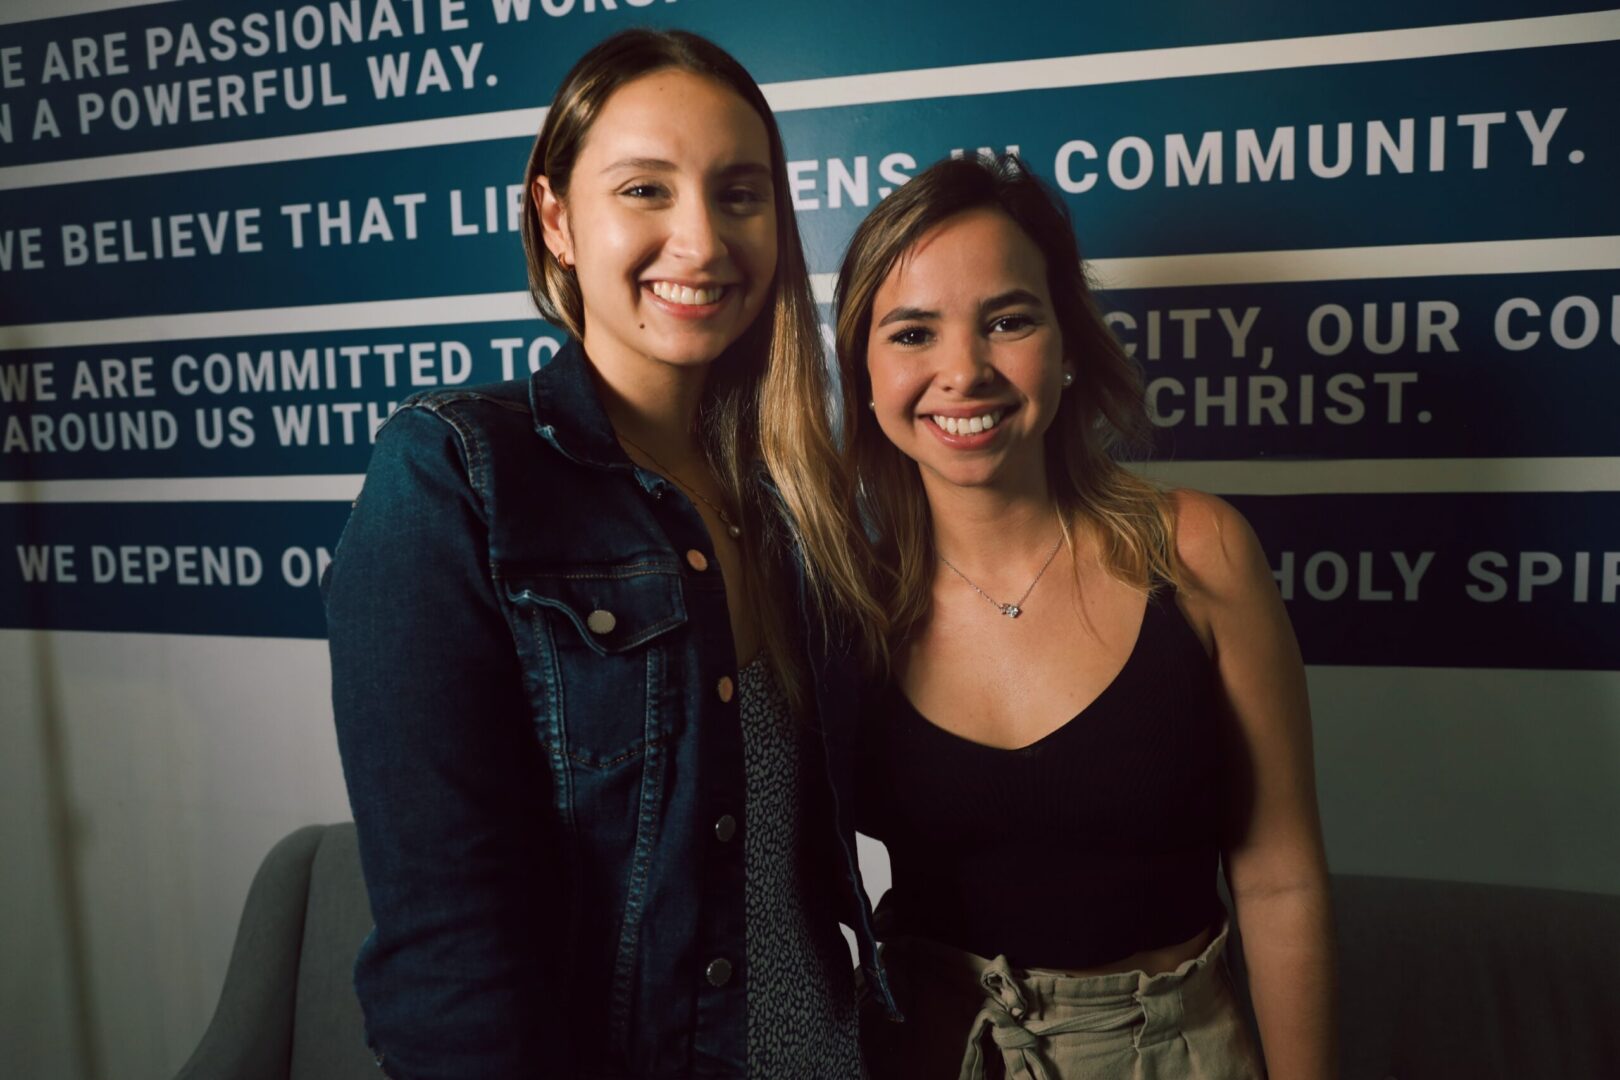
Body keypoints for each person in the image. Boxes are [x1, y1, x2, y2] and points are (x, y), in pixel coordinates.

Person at [324, 29, 893, 1079]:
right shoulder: (453, 477)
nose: (702, 241)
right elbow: (446, 961)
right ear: (556, 218)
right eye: (644, 190)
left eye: (739, 193)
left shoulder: (798, 502)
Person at [837, 154, 1337, 1079]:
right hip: (928, 1050)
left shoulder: (1197, 552)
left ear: (1066, 343)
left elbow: (1281, 879)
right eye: (912, 332)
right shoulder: (844, 606)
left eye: (1008, 320)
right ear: (863, 374)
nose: (963, 370)